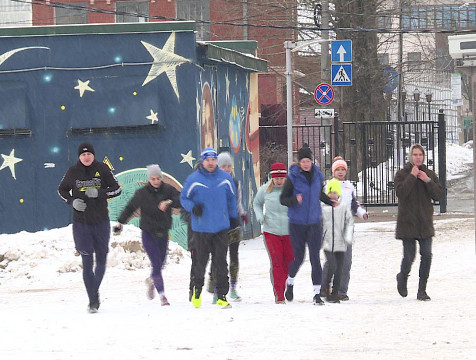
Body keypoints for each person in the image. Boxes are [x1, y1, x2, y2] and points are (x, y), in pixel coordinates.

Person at [58, 142, 121, 313]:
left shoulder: (103, 169)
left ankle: (93, 294)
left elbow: (117, 189)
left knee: (101, 260)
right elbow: (61, 190)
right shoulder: (72, 172)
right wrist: (72, 202)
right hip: (81, 224)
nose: (86, 157)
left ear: (93, 155)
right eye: (83, 155)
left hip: (101, 222)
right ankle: (93, 301)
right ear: (79, 156)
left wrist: (99, 193)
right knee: (87, 262)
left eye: (89, 154)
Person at [113, 164, 181, 306]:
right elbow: (130, 207)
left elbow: (181, 200)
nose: (156, 181)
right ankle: (162, 296)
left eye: (158, 178)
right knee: (156, 263)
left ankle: (151, 280)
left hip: (163, 232)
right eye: (153, 178)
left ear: (161, 178)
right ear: (149, 179)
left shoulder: (168, 190)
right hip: (148, 233)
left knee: (160, 264)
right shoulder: (142, 193)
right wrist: (120, 222)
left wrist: (168, 202)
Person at [180, 147, 237, 308]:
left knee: (220, 263)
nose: (211, 163)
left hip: (221, 227)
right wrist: (193, 207)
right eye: (208, 160)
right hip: (201, 228)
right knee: (200, 262)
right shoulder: (194, 179)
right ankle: (197, 290)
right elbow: (184, 198)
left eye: (213, 160)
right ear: (203, 161)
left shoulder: (225, 178)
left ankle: (222, 296)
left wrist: (233, 217)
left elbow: (232, 199)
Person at [280, 145, 334, 305]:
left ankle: (316, 294)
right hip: (297, 223)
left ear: (311, 161)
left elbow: (318, 193)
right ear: (299, 162)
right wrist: (294, 200)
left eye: (308, 161)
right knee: (299, 257)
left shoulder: (318, 175)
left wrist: (329, 201)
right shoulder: (293, 177)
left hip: (314, 222)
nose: (305, 164)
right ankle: (290, 282)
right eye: (303, 161)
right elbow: (283, 199)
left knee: (315, 258)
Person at [395, 144, 443, 301]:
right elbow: (401, 193)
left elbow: (438, 196)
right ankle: (402, 277)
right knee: (409, 257)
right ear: (411, 156)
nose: (417, 157)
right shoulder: (402, 174)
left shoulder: (428, 173)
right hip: (407, 222)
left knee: (427, 255)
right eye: (415, 155)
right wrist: (412, 176)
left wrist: (428, 181)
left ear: (423, 157)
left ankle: (422, 290)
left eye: (420, 155)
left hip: (424, 222)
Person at [321, 156, 368, 301]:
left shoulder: (349, 186)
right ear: (333, 171)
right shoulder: (328, 185)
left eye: (343, 169)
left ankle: (342, 290)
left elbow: (355, 204)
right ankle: (324, 288)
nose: (340, 172)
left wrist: (362, 213)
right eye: (338, 169)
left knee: (346, 261)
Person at [208, 152, 247, 303]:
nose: (227, 169)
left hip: (233, 224)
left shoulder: (235, 182)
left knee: (234, 256)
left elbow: (238, 201)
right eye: (223, 166)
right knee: (218, 258)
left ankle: (232, 288)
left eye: (229, 166)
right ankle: (217, 290)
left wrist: (242, 213)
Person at [253, 162, 293, 304]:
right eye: (276, 178)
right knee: (277, 263)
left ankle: (285, 285)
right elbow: (256, 204)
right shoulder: (265, 190)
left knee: (288, 262)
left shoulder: (291, 189)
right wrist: (260, 216)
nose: (278, 181)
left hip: (289, 232)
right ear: (271, 177)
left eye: (281, 178)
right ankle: (279, 294)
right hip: (271, 231)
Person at [320, 179, 354, 303]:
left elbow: (349, 223)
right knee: (331, 264)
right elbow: (321, 224)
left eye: (334, 192)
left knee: (340, 267)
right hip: (328, 243)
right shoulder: (323, 207)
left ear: (338, 194)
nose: (332, 195)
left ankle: (336, 292)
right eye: (330, 192)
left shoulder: (343, 207)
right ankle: (325, 287)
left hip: (341, 243)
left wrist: (348, 237)